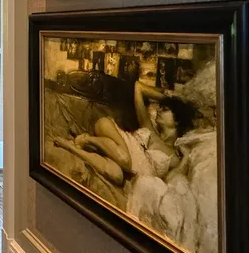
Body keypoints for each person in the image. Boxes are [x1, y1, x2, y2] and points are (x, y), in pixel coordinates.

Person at [52, 81, 195, 188]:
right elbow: (138, 87)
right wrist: (170, 99)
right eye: (160, 107)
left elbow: (170, 183)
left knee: (116, 175)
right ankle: (87, 139)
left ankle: (72, 148)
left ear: (177, 121)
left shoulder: (174, 156)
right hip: (108, 128)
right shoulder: (148, 127)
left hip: (123, 167)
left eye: (164, 110)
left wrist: (186, 157)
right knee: (125, 159)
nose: (158, 110)